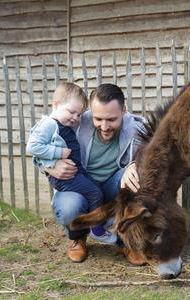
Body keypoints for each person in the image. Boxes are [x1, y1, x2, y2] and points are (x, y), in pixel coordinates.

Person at [33, 83, 143, 263]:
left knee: (137, 181)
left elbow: (155, 151)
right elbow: (38, 152)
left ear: (124, 110)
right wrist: (48, 168)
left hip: (111, 187)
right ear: (91, 111)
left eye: (112, 119)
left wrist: (136, 164)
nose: (105, 126)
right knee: (69, 207)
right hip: (80, 186)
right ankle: (77, 237)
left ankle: (127, 240)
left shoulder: (137, 128)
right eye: (98, 119)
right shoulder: (74, 122)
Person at [27, 83, 113, 245]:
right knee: (95, 193)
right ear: (56, 105)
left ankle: (99, 221)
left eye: (79, 114)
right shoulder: (49, 124)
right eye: (71, 112)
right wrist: (58, 154)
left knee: (94, 189)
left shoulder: (66, 123)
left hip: (76, 172)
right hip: (65, 177)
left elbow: (95, 113)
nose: (75, 117)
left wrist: (121, 112)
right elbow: (33, 146)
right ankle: (96, 228)